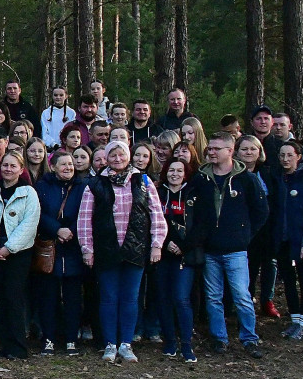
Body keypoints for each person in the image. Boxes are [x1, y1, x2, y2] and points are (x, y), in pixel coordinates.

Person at [78, 140, 167, 363]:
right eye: (113, 155)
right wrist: (87, 249)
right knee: (108, 297)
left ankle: (126, 343)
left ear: (129, 156)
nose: (117, 159)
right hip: (106, 249)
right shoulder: (95, 184)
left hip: (135, 248)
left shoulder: (143, 181)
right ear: (106, 158)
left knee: (130, 297)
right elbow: (84, 219)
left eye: (122, 155)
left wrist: (157, 244)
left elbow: (156, 215)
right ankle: (110, 344)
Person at [199, 132, 269, 358]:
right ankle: (219, 338)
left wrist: (244, 235)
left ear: (230, 151)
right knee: (213, 296)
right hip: (210, 249)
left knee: (241, 295)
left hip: (236, 250)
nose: (211, 152)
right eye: (210, 148)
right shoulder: (202, 178)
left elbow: (261, 212)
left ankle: (249, 338)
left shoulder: (246, 179)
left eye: (216, 149)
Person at [0, 151, 40, 359]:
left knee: (14, 298)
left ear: (21, 169)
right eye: (5, 165)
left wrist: (9, 248)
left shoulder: (28, 193)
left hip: (18, 254)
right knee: (1, 299)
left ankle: (18, 347)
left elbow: (29, 225)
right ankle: (5, 345)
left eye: (13, 166)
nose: (8, 169)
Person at [34, 150, 87, 356]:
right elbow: (39, 213)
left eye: (71, 164)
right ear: (53, 166)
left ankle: (71, 339)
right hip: (50, 247)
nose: (68, 168)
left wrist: (71, 230)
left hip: (74, 247)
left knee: (73, 297)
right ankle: (49, 338)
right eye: (63, 164)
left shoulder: (83, 187)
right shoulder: (42, 187)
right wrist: (57, 229)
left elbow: (86, 211)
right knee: (49, 296)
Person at [156, 159, 203, 363]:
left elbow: (202, 225)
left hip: (186, 254)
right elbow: (152, 220)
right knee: (164, 299)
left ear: (186, 173)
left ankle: (186, 343)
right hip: (162, 253)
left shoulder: (194, 194)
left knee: (181, 298)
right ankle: (169, 342)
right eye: (171, 170)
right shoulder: (157, 194)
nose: (174, 174)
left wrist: (183, 246)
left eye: (179, 170)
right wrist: (165, 242)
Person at [237, 135, 281, 319]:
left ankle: (267, 300)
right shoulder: (234, 174)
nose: (248, 152)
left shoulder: (268, 173)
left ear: (259, 152)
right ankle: (247, 301)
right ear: (237, 152)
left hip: (267, 228)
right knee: (249, 266)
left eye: (252, 149)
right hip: (243, 229)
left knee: (270, 263)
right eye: (244, 149)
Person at [275, 141, 303, 340]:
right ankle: (295, 319)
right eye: (282, 155)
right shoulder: (279, 179)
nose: (285, 159)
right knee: (288, 281)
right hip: (283, 239)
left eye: (289, 155)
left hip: (301, 240)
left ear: (298, 156)